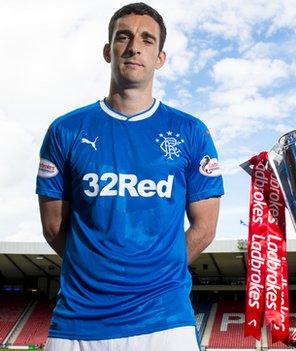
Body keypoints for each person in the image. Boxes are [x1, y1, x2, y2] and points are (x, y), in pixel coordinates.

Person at [35, 3, 224, 351]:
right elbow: (53, 228)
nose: (134, 46)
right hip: (78, 323)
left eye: (147, 40)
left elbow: (205, 228)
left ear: (160, 58)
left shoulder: (192, 132)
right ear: (108, 51)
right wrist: (98, 267)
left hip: (165, 322)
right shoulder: (65, 131)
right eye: (124, 36)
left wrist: (153, 272)